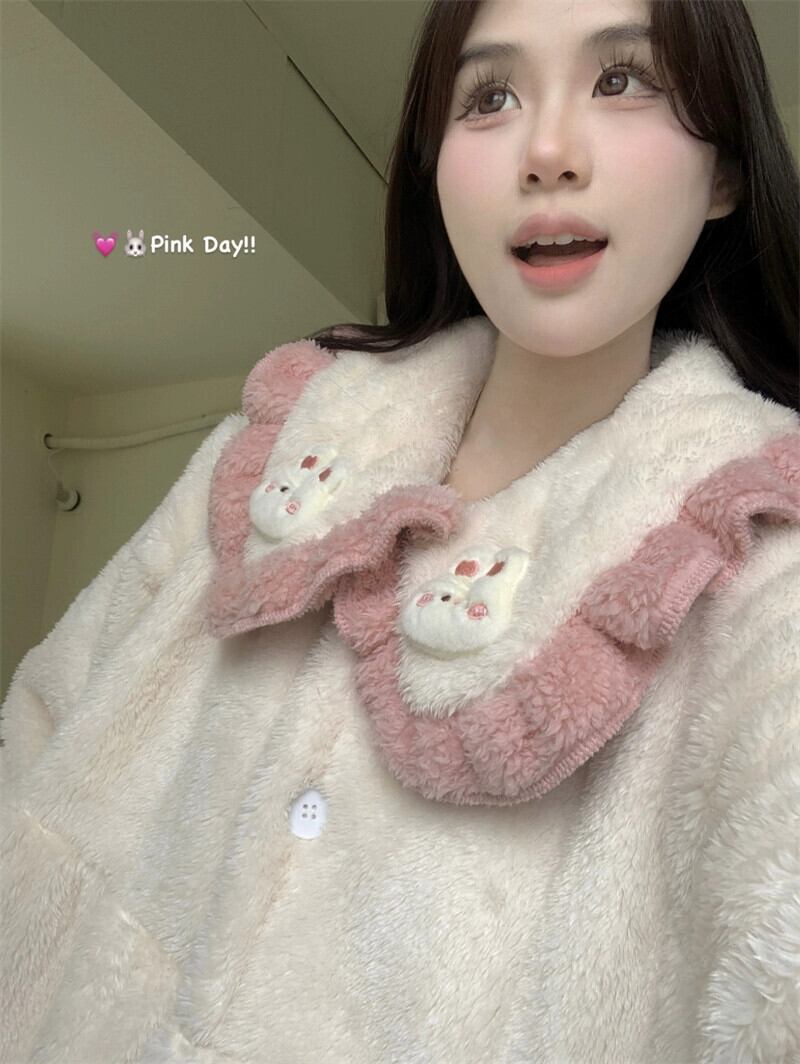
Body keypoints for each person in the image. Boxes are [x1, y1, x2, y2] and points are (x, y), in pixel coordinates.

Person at [2, 0, 798, 1060]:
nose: (547, 152)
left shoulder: (758, 572)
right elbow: (41, 731)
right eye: (489, 97)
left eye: (621, 81)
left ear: (725, 172)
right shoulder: (272, 456)